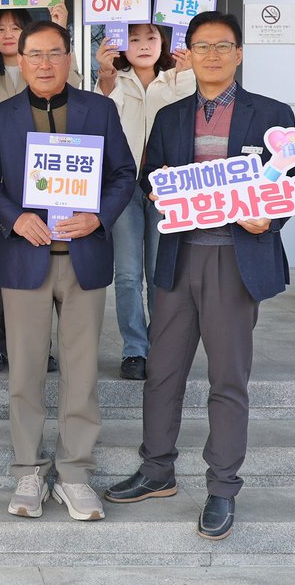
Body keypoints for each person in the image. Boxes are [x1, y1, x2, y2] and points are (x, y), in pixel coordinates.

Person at [104, 11, 295, 541]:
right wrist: (163, 187)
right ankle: (157, 470)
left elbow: (293, 184)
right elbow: (149, 177)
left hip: (236, 260)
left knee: (227, 378)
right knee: (162, 371)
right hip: (177, 258)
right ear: (188, 55)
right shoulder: (171, 116)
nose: (212, 55)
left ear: (239, 54)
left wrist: (269, 217)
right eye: (202, 46)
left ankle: (222, 487)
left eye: (222, 45)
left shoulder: (272, 114)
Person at [0, 20, 134, 522]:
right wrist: (15, 218)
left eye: (54, 54)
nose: (45, 64)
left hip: (83, 259)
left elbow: (124, 173)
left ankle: (75, 474)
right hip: (26, 259)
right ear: (20, 61)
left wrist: (99, 215)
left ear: (69, 59)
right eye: (35, 55)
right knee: (25, 372)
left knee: (81, 373)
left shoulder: (99, 110)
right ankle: (28, 468)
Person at [0, 3, 72, 374]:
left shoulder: (43, 70)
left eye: (16, 27)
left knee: (40, 271)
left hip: (44, 186)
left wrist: (58, 28)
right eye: (0, 28)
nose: (7, 34)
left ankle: (38, 346)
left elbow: (71, 88)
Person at [93, 24, 196, 380]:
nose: (142, 45)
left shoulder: (178, 79)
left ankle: (160, 346)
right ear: (122, 45)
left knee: (159, 272)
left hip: (166, 187)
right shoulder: (114, 80)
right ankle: (135, 349)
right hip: (122, 187)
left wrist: (187, 74)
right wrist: (105, 78)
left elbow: (190, 121)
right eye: (133, 38)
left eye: (150, 38)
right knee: (126, 274)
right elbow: (99, 124)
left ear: (163, 42)